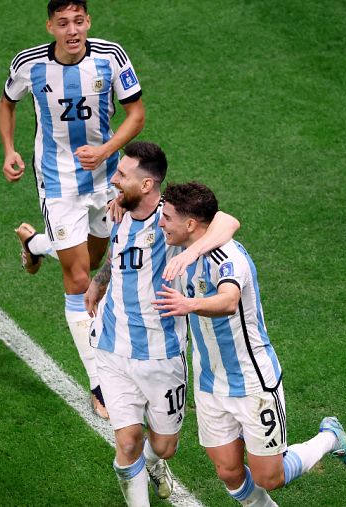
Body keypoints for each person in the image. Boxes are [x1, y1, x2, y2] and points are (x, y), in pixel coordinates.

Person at [153, 182, 346, 506]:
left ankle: (330, 437)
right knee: (228, 471)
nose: (160, 222)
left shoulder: (228, 257)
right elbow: (226, 219)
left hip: (252, 380)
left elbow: (228, 300)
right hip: (209, 381)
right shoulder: (180, 247)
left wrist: (189, 304)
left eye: (166, 217)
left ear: (191, 224)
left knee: (269, 477)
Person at [0, 0, 147, 419]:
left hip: (106, 178)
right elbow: (7, 102)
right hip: (58, 182)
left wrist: (104, 151)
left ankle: (35, 243)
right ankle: (99, 384)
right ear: (50, 26)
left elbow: (136, 114)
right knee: (79, 278)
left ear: (88, 22)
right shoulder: (28, 64)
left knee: (96, 258)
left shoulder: (111, 57)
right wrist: (9, 150)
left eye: (78, 21)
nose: (72, 30)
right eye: (62, 23)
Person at [84, 142, 240, 506]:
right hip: (113, 345)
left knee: (164, 447)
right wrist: (99, 281)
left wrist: (192, 251)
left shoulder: (171, 222)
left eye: (123, 175)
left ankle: (156, 465)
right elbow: (118, 253)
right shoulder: (119, 211)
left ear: (148, 185)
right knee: (127, 442)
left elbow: (229, 222)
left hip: (162, 353)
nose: (115, 180)